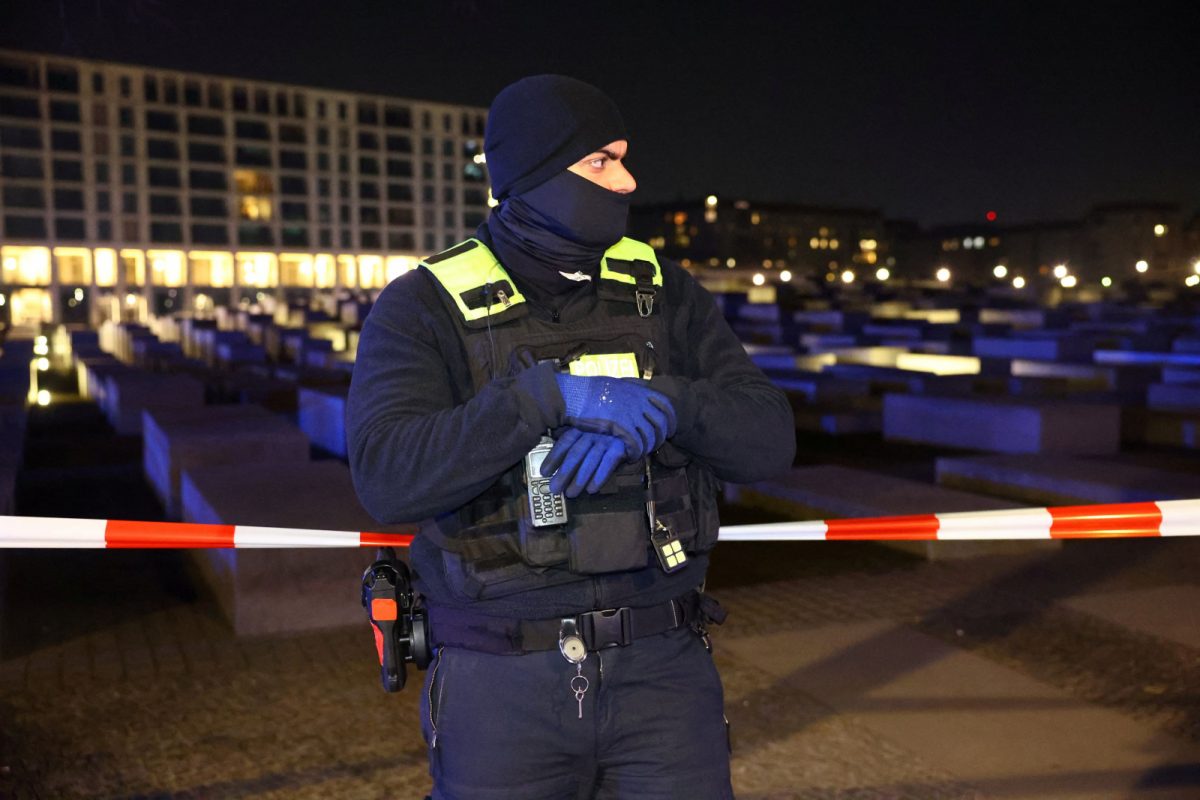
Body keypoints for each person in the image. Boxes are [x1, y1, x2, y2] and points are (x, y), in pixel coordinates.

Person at [347, 74, 795, 799]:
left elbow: (770, 442)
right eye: (602, 161)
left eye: (623, 157)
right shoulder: (422, 307)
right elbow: (387, 477)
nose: (628, 179)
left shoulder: (665, 292)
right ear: (535, 172)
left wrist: (663, 405)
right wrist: (548, 396)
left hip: (664, 676)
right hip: (501, 685)